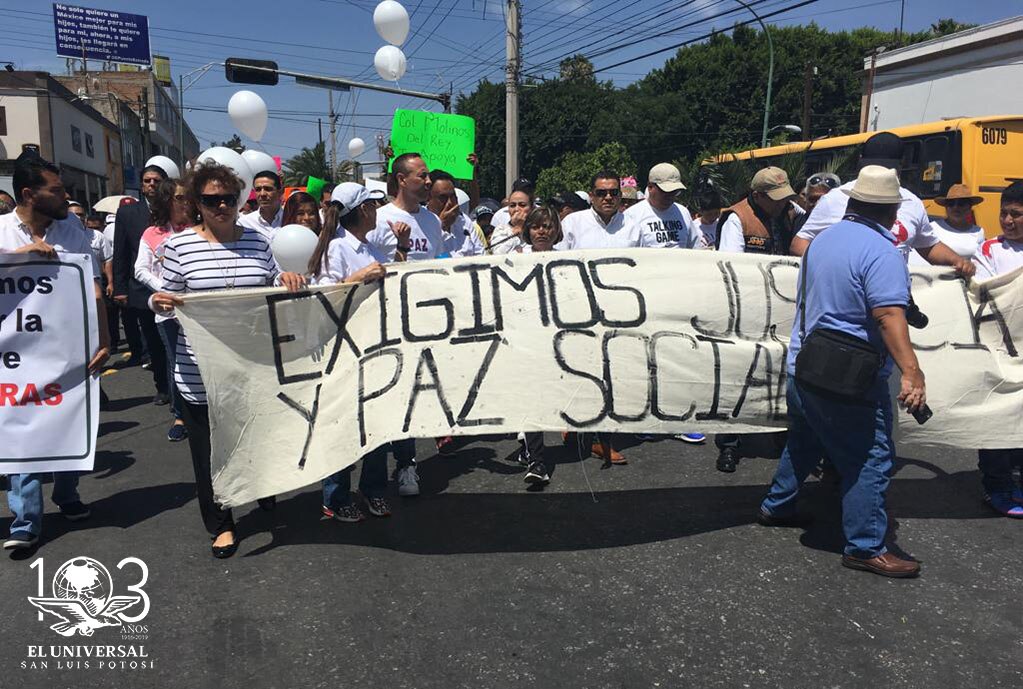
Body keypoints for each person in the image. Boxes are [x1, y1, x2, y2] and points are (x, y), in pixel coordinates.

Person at [759, 165, 925, 578]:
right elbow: (888, 314)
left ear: (852, 203)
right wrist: (912, 370)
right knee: (871, 456)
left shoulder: (823, 240)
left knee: (805, 440)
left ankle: (776, 506)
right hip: (847, 376)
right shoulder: (882, 251)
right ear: (891, 212)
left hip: (805, 363)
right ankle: (866, 545)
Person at [149, 161, 305, 558]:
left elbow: (272, 282)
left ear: (239, 200)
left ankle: (257, 488)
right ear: (198, 203)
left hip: (252, 368)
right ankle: (221, 523)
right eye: (211, 199)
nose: (221, 206)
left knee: (254, 437)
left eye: (228, 199)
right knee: (209, 453)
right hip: (199, 372)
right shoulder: (178, 246)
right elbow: (165, 300)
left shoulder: (256, 241)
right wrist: (160, 301)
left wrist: (285, 279)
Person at [1, 151, 110, 550]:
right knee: (22, 431)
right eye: (57, 190)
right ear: (29, 194)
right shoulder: (1, 232)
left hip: (66, 352)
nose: (65, 197)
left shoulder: (72, 231)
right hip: (16, 359)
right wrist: (21, 257)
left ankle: (67, 495)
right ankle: (26, 519)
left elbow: (93, 287)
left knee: (66, 420)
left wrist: (104, 338)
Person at [308, 182, 395, 521]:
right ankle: (335, 495)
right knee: (343, 425)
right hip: (343, 350)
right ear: (363, 210)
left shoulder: (366, 245)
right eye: (372, 205)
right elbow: (322, 295)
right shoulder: (335, 248)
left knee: (375, 425)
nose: (377, 211)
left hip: (373, 347)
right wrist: (360, 276)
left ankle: (373, 489)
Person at [790, 132, 975, 281]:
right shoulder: (836, 198)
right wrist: (831, 268)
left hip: (893, 294)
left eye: (885, 169)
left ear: (900, 167)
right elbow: (800, 243)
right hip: (847, 297)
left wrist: (957, 261)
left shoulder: (912, 203)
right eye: (871, 168)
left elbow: (928, 246)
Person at [365, 152, 445, 496]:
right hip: (383, 323)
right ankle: (376, 469)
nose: (428, 182)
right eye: (422, 176)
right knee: (385, 396)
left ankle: (407, 464)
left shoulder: (432, 221)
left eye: (427, 177)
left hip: (422, 322)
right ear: (401, 179)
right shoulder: (379, 219)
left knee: (413, 396)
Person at [713, 167, 802, 472]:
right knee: (740, 376)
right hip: (748, 310)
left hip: (784, 308)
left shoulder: (791, 212)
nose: (782, 203)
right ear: (758, 195)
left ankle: (781, 434)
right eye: (775, 198)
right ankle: (729, 444)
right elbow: (730, 265)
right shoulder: (737, 219)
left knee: (781, 375)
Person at [971, 181, 1023, 517]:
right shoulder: (988, 249)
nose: (1007, 220)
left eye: (1016, 214)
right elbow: (984, 293)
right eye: (1003, 213)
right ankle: (997, 486)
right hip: (999, 352)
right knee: (996, 420)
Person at [134, 179, 195, 443]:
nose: (184, 202)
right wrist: (166, 289)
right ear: (167, 201)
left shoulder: (198, 229)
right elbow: (140, 269)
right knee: (177, 361)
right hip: (168, 312)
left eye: (186, 197)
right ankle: (180, 415)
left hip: (197, 310)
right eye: (178, 198)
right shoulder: (152, 233)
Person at [516, 205, 564, 485]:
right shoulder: (513, 258)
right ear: (527, 231)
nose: (542, 231)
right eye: (536, 226)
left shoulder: (568, 259)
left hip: (557, 340)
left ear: (556, 230)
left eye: (547, 226)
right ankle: (537, 461)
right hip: (524, 339)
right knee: (531, 398)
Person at [113, 165, 169, 401]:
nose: (152, 185)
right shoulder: (128, 214)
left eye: (157, 180)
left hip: (173, 287)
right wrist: (120, 288)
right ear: (141, 184)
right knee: (153, 342)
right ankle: (163, 387)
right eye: (147, 181)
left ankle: (180, 388)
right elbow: (121, 252)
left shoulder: (176, 209)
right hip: (142, 288)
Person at [557, 170, 645, 252]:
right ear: (591, 196)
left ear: (620, 195)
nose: (608, 197)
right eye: (601, 193)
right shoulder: (571, 223)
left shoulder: (633, 227)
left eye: (613, 192)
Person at [625, 163, 704, 249]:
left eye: (674, 191)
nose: (670, 195)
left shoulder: (683, 212)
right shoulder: (632, 216)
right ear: (650, 187)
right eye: (665, 191)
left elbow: (694, 248)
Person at [909, 184, 985, 266]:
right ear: (946, 207)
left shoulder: (979, 232)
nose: (955, 208)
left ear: (969, 208)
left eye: (961, 204)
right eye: (951, 204)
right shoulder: (932, 228)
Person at [426, 169, 476, 256]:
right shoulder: (421, 222)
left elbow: (480, 254)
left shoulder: (464, 221)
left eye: (452, 196)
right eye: (443, 197)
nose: (449, 203)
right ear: (428, 198)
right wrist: (441, 226)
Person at [238, 170, 283, 238]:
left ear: (280, 192)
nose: (262, 194)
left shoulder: (292, 220)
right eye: (258, 189)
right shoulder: (244, 223)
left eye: (268, 189)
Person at [489, 189, 532, 255]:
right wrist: (515, 233)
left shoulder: (537, 229)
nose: (517, 209)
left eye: (522, 205)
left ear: (531, 208)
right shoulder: (501, 230)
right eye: (512, 205)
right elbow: (498, 254)